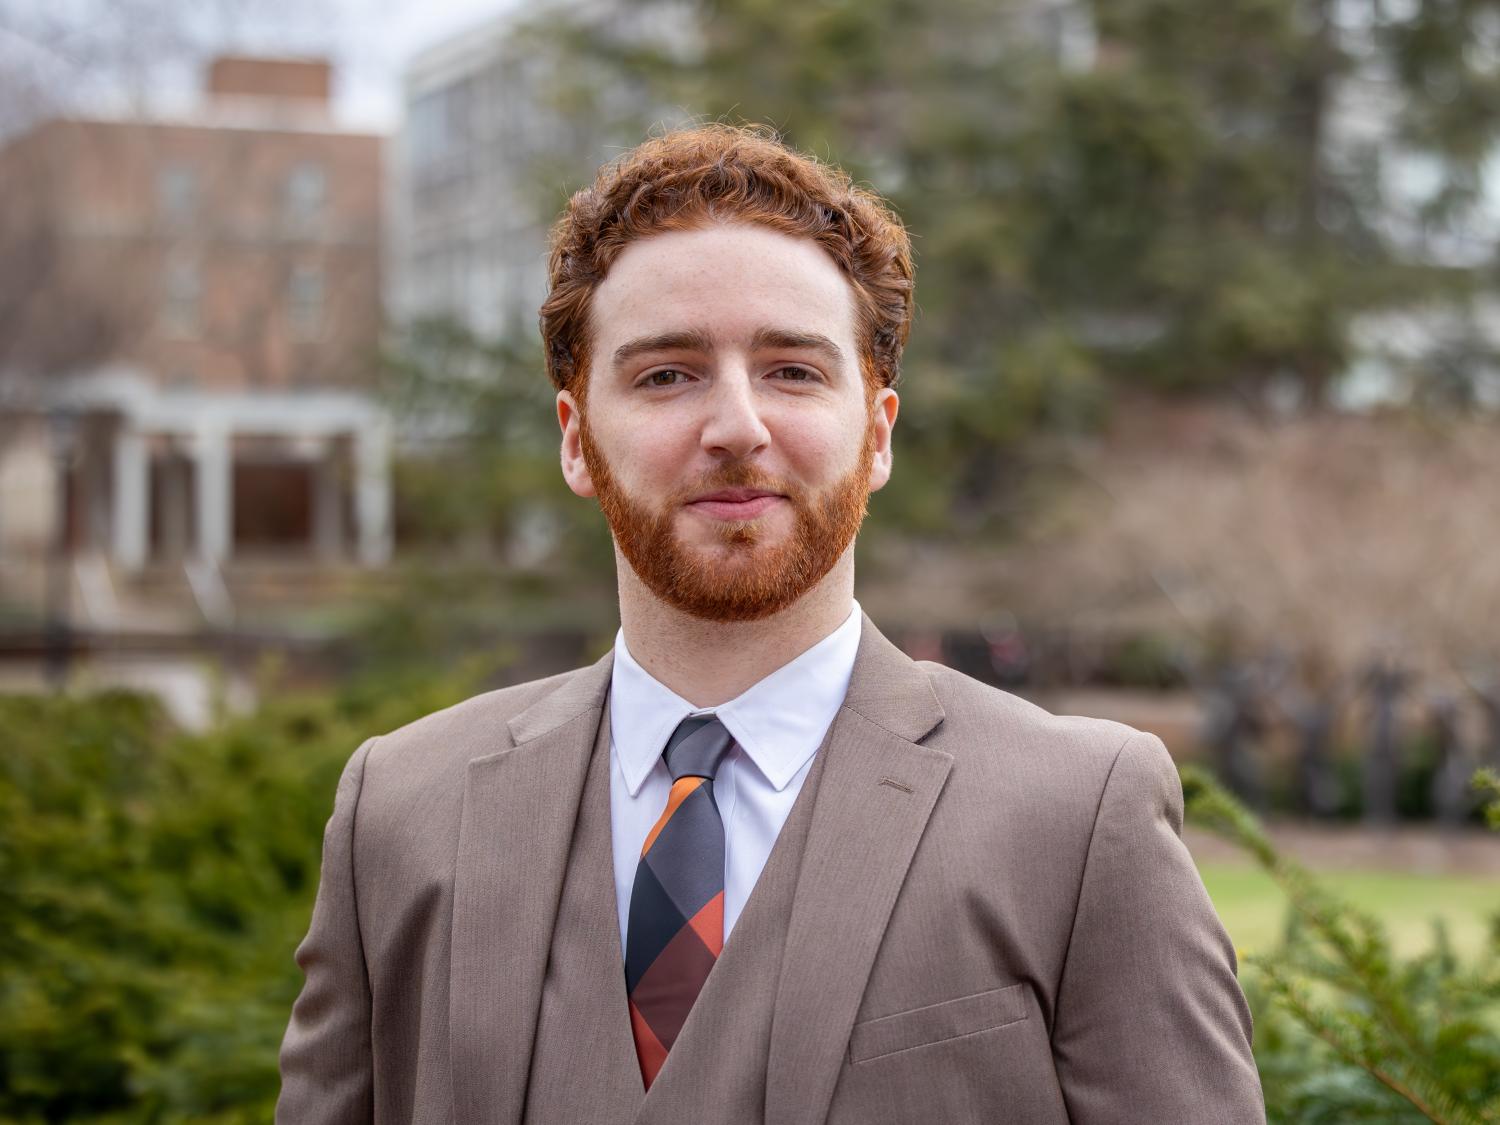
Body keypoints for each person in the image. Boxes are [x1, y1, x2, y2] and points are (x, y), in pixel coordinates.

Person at [277, 124, 1265, 1124]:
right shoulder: (400, 814)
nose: (737, 425)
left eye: (793, 370)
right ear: (576, 442)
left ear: (876, 434)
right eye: (667, 373)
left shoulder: (1076, 819)